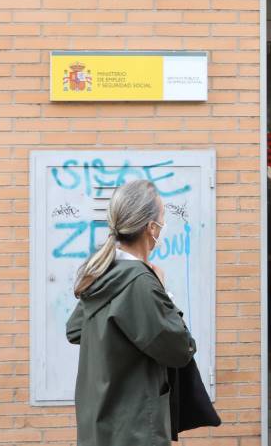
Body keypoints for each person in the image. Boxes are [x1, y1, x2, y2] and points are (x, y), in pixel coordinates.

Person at [66, 180, 196, 446]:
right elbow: (181, 347)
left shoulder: (105, 272)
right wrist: (163, 291)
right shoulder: (140, 282)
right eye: (162, 219)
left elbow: (75, 329)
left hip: (99, 424)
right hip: (134, 429)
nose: (163, 226)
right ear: (151, 227)